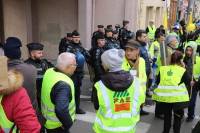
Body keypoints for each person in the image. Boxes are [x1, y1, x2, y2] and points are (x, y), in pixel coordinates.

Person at [92, 49, 143, 133]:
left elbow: (97, 107)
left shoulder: (99, 85)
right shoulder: (136, 82)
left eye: (103, 62)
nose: (101, 63)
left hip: (105, 129)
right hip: (129, 128)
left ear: (107, 64)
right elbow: (140, 101)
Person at [152, 51, 190, 133]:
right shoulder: (182, 70)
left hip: (165, 98)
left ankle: (166, 131)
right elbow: (188, 81)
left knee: (167, 117)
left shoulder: (163, 69)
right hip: (178, 99)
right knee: (177, 118)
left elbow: (158, 82)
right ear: (181, 60)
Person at [3, 37, 39, 118]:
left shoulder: (3, 72)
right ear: (19, 53)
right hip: (31, 115)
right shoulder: (31, 69)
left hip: (9, 117)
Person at [41, 53, 76, 133]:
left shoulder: (49, 72)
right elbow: (61, 110)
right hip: (58, 126)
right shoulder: (63, 84)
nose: (76, 67)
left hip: (47, 121)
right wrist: (68, 125)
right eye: (75, 65)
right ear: (69, 66)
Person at [66, 30, 90, 114]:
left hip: (79, 72)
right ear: (72, 38)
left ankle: (77, 108)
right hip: (72, 72)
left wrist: (86, 54)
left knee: (78, 91)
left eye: (78, 37)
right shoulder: (69, 47)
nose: (76, 39)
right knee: (71, 90)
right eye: (75, 37)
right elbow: (67, 58)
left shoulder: (80, 46)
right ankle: (69, 108)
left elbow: (87, 56)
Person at [121, 39, 149, 115]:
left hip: (139, 95)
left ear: (137, 51)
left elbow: (144, 77)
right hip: (126, 98)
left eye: (131, 50)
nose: (128, 53)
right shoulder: (121, 61)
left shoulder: (141, 61)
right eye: (126, 50)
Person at [25, 42, 53, 109]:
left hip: (44, 93)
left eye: (42, 53)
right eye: (39, 53)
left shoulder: (44, 62)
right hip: (33, 95)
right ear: (32, 53)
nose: (41, 55)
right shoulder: (26, 65)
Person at [183, 46, 200, 122]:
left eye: (190, 50)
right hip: (185, 83)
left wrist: (196, 82)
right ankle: (181, 113)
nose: (188, 52)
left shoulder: (198, 60)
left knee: (192, 101)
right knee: (183, 100)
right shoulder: (183, 59)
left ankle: (190, 115)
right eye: (187, 50)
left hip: (194, 84)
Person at [136, 30, 152, 97]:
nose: (146, 38)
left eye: (146, 36)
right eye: (144, 37)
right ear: (138, 38)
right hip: (141, 74)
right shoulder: (137, 47)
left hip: (146, 71)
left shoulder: (143, 46)